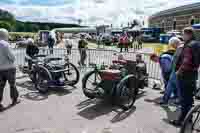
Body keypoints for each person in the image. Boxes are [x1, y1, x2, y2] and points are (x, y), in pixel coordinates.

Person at [170, 27, 200, 126]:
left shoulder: (189, 46)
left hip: (184, 76)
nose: (182, 36)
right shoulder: (197, 44)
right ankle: (189, 118)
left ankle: (181, 120)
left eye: (183, 34)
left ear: (189, 34)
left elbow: (186, 61)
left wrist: (179, 72)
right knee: (189, 99)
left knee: (184, 100)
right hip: (193, 75)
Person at [158, 37, 182, 106]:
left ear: (175, 44)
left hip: (178, 71)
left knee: (178, 87)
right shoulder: (178, 49)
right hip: (175, 71)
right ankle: (165, 101)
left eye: (172, 44)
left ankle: (179, 101)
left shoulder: (181, 48)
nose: (172, 46)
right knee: (170, 86)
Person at [0, 28, 19, 111]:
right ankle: (14, 99)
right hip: (9, 68)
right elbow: (12, 57)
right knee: (12, 85)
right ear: (5, 35)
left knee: (0, 86)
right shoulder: (5, 44)